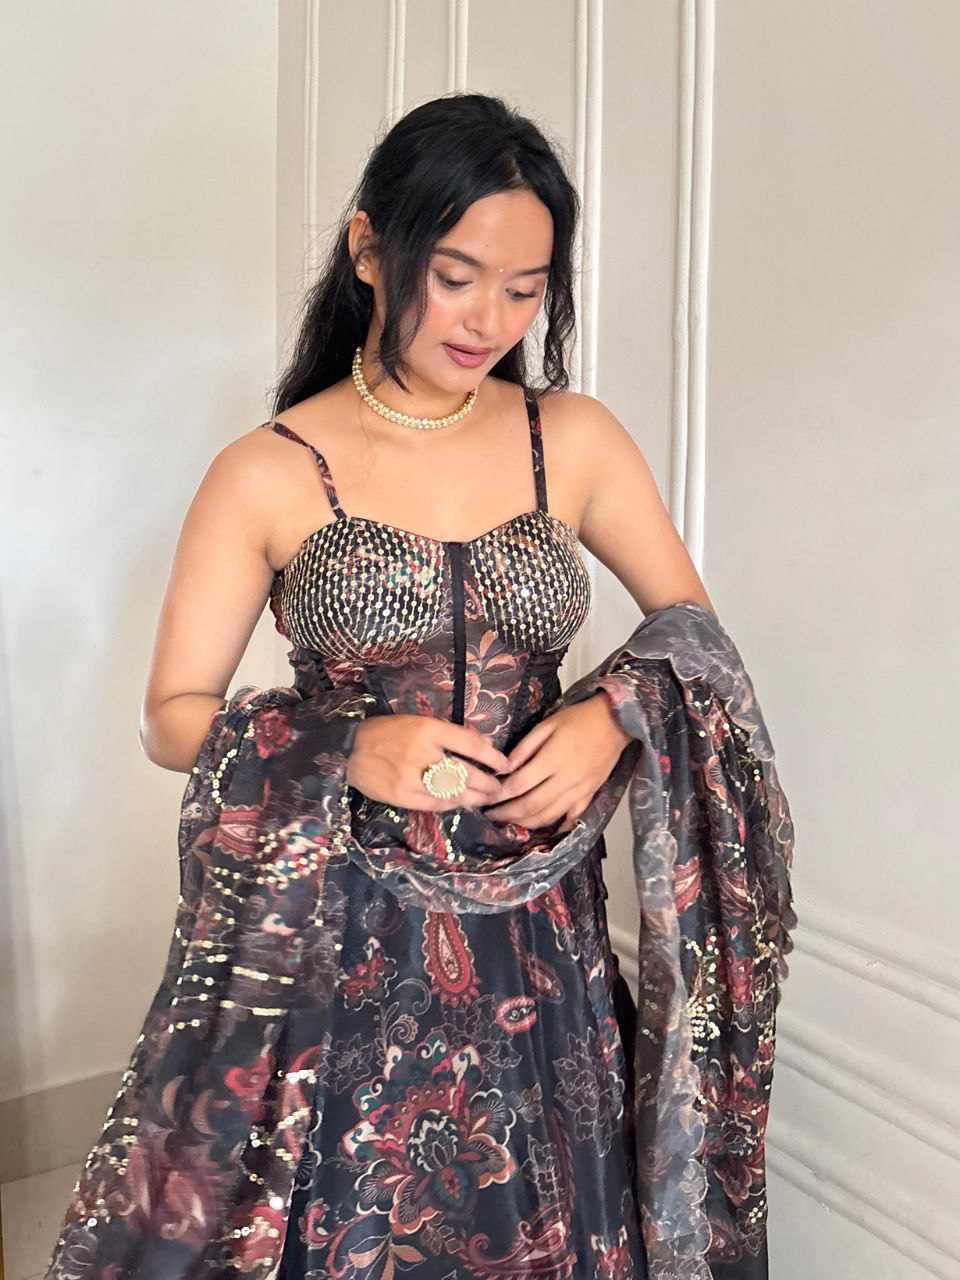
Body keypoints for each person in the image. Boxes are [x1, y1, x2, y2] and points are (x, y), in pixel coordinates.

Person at [46, 93, 792, 1280]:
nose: (488, 318)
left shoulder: (572, 438)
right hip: (346, 931)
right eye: (455, 277)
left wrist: (611, 715)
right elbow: (170, 715)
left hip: (544, 936)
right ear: (368, 248)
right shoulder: (268, 471)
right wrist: (347, 744)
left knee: (553, 1216)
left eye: (524, 288)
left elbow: (690, 632)